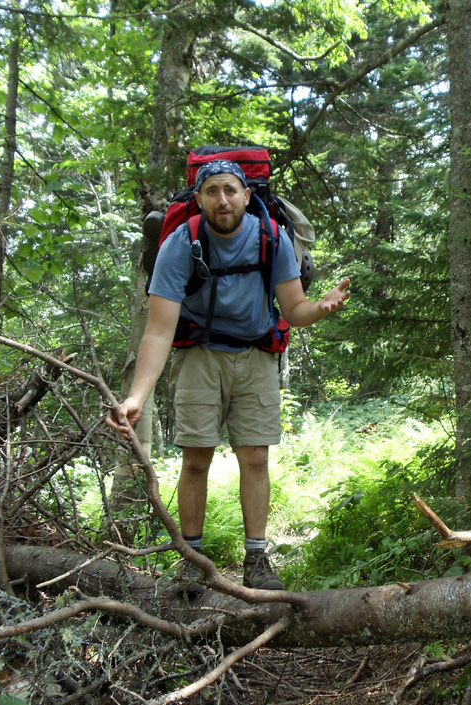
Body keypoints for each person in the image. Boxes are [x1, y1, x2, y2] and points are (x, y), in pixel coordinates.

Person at [107, 159, 350, 593]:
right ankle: (192, 561)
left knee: (255, 457)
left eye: (231, 190)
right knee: (195, 457)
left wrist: (321, 307)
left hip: (256, 354)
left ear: (246, 195)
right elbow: (159, 330)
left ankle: (256, 559)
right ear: (199, 199)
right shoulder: (181, 242)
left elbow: (294, 310)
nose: (223, 200)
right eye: (213, 191)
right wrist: (136, 397)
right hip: (198, 355)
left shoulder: (270, 236)